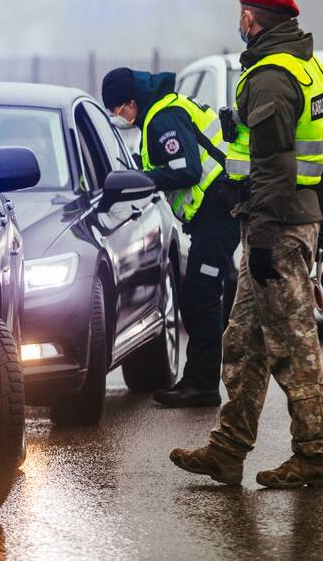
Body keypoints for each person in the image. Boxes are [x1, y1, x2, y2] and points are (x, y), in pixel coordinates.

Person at [170, 0, 323, 488]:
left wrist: (266, 233)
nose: (238, 22)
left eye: (241, 13)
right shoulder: (309, 68)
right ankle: (227, 451)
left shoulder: (269, 76)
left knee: (293, 344)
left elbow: (273, 163)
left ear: (253, 19)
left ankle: (314, 457)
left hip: (278, 226)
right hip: (287, 219)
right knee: (243, 341)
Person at [102, 68, 239, 407]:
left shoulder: (163, 118)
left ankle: (203, 387)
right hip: (213, 214)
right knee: (197, 297)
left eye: (118, 109)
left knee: (201, 298)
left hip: (219, 212)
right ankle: (195, 380)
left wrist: (144, 177)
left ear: (132, 102)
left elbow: (187, 170)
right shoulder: (160, 113)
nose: (119, 117)